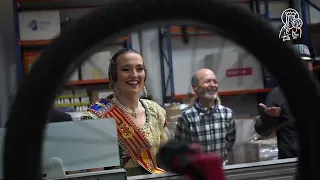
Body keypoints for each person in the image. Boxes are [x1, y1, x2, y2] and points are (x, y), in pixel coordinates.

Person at [81, 48, 169, 176]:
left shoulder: (156, 111)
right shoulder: (97, 116)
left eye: (139, 69)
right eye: (126, 69)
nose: (134, 74)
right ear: (114, 75)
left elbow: (165, 158)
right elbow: (95, 173)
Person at [255, 44, 314, 159]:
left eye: (305, 64)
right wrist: (269, 118)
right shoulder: (277, 95)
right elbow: (263, 131)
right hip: (291, 163)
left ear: (311, 66)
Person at [174, 68, 236, 165]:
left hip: (221, 172)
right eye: (207, 81)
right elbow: (181, 150)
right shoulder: (186, 118)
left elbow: (229, 145)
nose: (212, 85)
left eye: (215, 82)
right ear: (195, 87)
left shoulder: (227, 114)